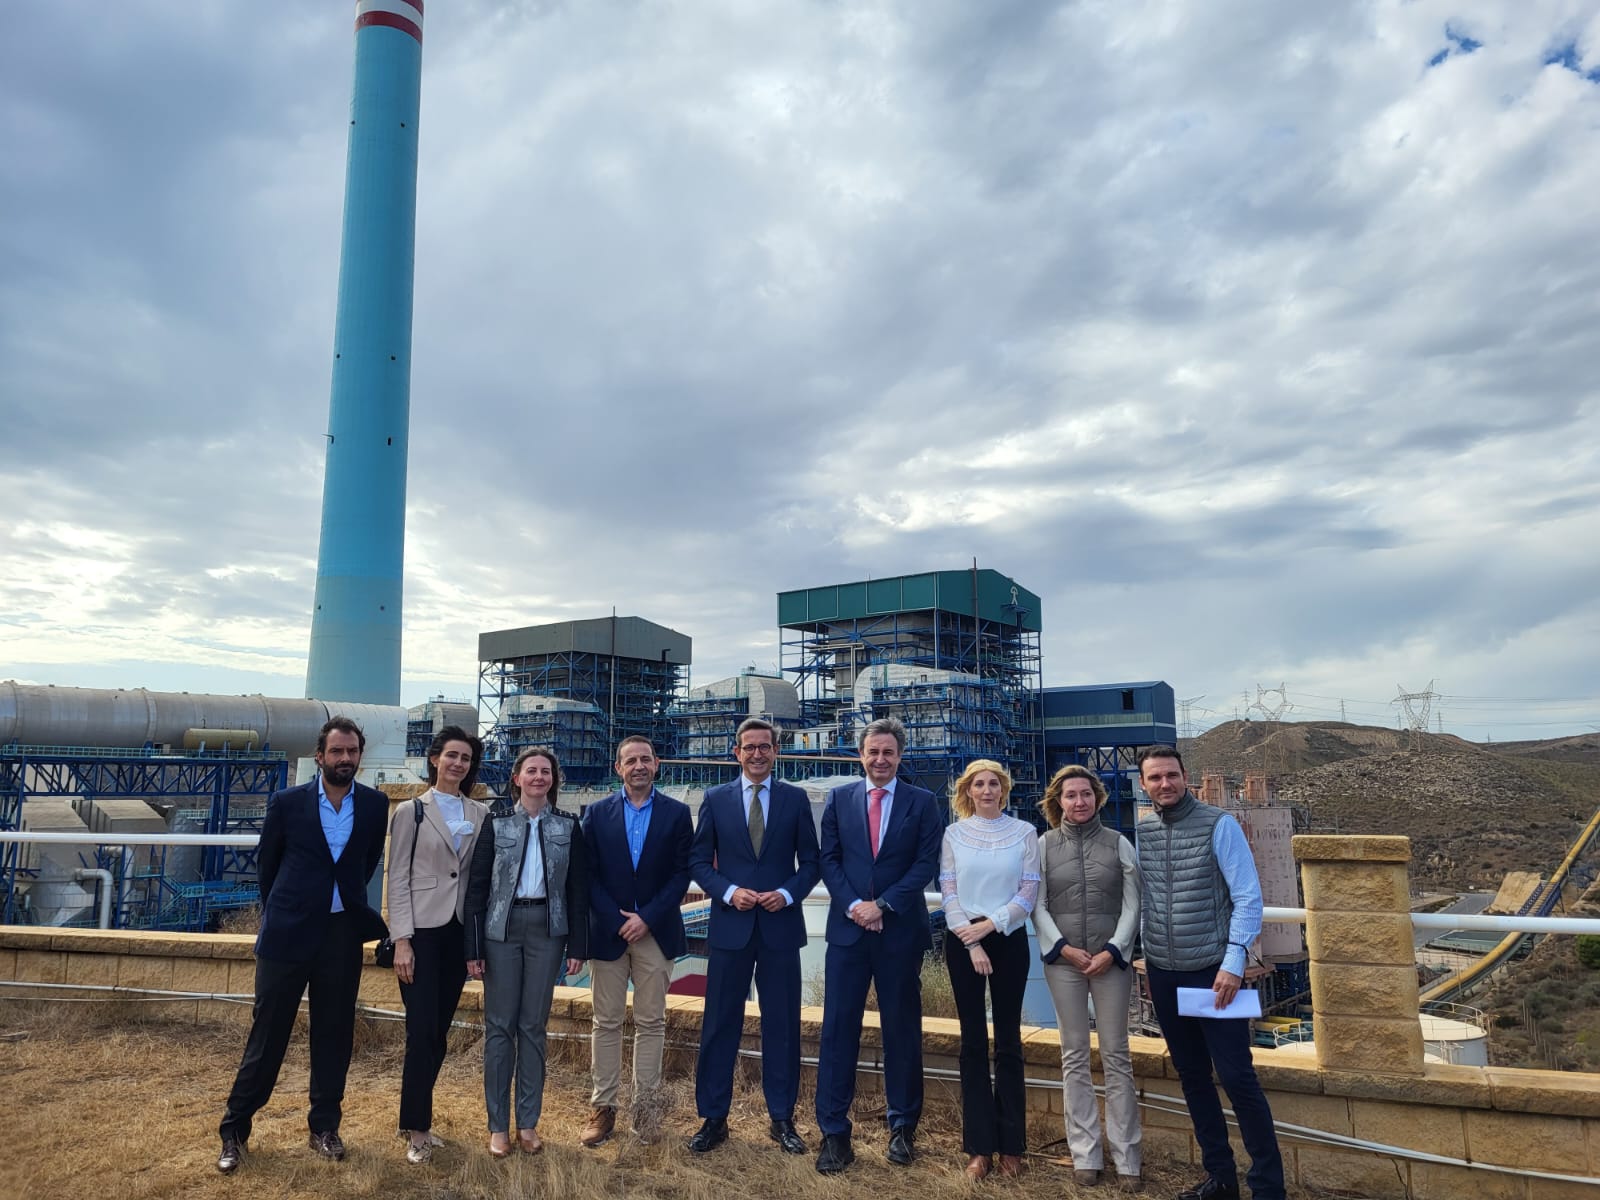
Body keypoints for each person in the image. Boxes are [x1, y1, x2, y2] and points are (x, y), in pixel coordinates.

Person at [216, 716, 390, 1174]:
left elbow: (365, 863)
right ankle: (235, 1131)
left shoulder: (374, 805)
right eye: (337, 751)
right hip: (288, 934)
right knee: (267, 1033)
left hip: (339, 934)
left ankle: (324, 1128)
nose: (345, 759)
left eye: (352, 751)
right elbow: (267, 870)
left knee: (333, 1035)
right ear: (320, 756)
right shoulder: (288, 803)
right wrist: (292, 908)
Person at [1135, 745, 1284, 1200]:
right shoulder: (1143, 833)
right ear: (1144, 785)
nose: (1164, 784)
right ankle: (1220, 1179)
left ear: (1186, 777)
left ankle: (1267, 1186)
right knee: (1192, 1075)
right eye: (1155, 778)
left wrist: (1234, 962)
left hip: (1213, 974)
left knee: (1237, 1076)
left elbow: (1247, 897)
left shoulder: (1219, 825)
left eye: (1171, 775)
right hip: (1164, 972)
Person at [814, 716, 942, 1175]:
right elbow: (827, 859)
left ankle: (903, 1127)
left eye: (889, 752)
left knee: (902, 1030)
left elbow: (925, 863)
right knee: (837, 1031)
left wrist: (882, 906)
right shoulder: (839, 798)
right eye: (873, 752)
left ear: (900, 756)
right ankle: (833, 1132)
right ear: (861, 755)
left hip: (899, 932)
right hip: (848, 932)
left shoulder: (923, 802)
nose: (881, 760)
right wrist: (853, 905)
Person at [687, 716, 821, 1156]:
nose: (758, 753)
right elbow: (699, 863)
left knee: (782, 1026)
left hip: (780, 928)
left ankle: (781, 1119)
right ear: (737, 753)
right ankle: (713, 1118)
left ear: (776, 751)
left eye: (765, 746)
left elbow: (813, 864)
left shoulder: (796, 800)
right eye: (750, 747)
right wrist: (728, 891)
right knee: (719, 1023)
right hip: (730, 928)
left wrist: (786, 893)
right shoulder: (715, 799)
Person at [464, 746, 590, 1158]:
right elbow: (477, 887)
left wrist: (577, 945)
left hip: (547, 931)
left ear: (554, 780)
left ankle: (528, 1123)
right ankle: (498, 1125)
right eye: (531, 771)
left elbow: (577, 890)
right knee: (500, 1027)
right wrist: (475, 945)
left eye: (546, 771)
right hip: (502, 930)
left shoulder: (569, 826)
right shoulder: (495, 823)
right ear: (517, 778)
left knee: (533, 1027)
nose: (538, 777)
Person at [579, 735, 693, 1147]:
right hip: (609, 933)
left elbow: (682, 874)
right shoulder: (595, 814)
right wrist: (617, 918)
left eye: (646, 758)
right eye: (631, 760)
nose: (639, 765)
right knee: (605, 1022)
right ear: (618, 768)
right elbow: (587, 874)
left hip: (655, 932)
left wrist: (646, 917)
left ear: (657, 763)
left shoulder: (679, 815)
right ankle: (603, 1108)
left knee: (651, 1022)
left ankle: (646, 1111)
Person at [1034, 765, 1143, 1193]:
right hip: (1065, 963)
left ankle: (1128, 1156)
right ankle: (1086, 1155)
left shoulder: (1119, 844)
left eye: (1085, 794)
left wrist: (1113, 949)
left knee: (1117, 1055)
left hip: (1110, 962)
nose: (1078, 802)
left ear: (1098, 797)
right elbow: (1036, 902)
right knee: (1074, 1055)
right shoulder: (1043, 846)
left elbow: (1132, 905)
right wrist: (1062, 947)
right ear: (1057, 801)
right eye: (1069, 795)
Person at [386, 725, 490, 1164]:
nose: (458, 764)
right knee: (421, 1032)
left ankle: (413, 1117)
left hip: (457, 932)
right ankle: (418, 1129)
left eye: (465, 758)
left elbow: (477, 880)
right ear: (435, 759)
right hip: (422, 932)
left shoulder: (481, 814)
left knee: (439, 1032)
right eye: (451, 756)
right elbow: (398, 879)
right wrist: (401, 940)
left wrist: (477, 944)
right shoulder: (412, 811)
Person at [939, 758, 1040, 1181]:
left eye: (993, 784)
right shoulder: (953, 834)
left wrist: (992, 925)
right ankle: (979, 1148)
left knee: (1009, 1042)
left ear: (1003, 789)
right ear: (968, 791)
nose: (986, 790)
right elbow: (948, 891)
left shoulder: (1025, 833)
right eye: (979, 784)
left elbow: (1029, 891)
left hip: (1009, 938)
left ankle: (1012, 1148)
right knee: (973, 1042)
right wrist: (974, 939)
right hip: (964, 940)